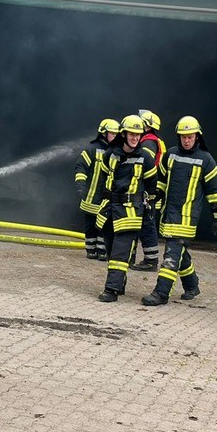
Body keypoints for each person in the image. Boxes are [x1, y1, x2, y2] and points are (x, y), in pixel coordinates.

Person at [141, 116, 217, 306]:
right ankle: (192, 285)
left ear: (197, 136)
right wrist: (155, 198)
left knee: (171, 255)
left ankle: (161, 293)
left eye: (190, 136)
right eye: (183, 137)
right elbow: (161, 180)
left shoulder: (206, 160)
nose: (187, 140)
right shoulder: (170, 155)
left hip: (187, 218)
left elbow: (214, 190)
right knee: (180, 253)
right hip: (169, 214)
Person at [96, 115, 158, 302]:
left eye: (138, 135)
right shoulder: (110, 154)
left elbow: (152, 185)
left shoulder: (146, 157)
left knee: (120, 251)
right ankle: (119, 283)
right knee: (109, 248)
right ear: (123, 134)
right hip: (109, 209)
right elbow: (102, 180)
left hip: (131, 211)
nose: (135, 138)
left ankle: (111, 289)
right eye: (131, 134)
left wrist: (149, 209)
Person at [75, 118, 120, 259]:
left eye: (117, 134)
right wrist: (81, 185)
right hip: (90, 196)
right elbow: (80, 167)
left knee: (104, 225)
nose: (115, 137)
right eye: (112, 134)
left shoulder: (117, 152)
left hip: (106, 198)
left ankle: (103, 251)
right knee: (90, 226)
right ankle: (90, 250)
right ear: (103, 134)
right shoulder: (91, 150)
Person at [130, 109, 167, 271]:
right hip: (151, 192)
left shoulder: (148, 142)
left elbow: (145, 165)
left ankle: (151, 261)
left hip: (146, 193)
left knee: (145, 226)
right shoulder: (153, 140)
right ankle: (144, 259)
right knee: (143, 225)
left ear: (147, 125)